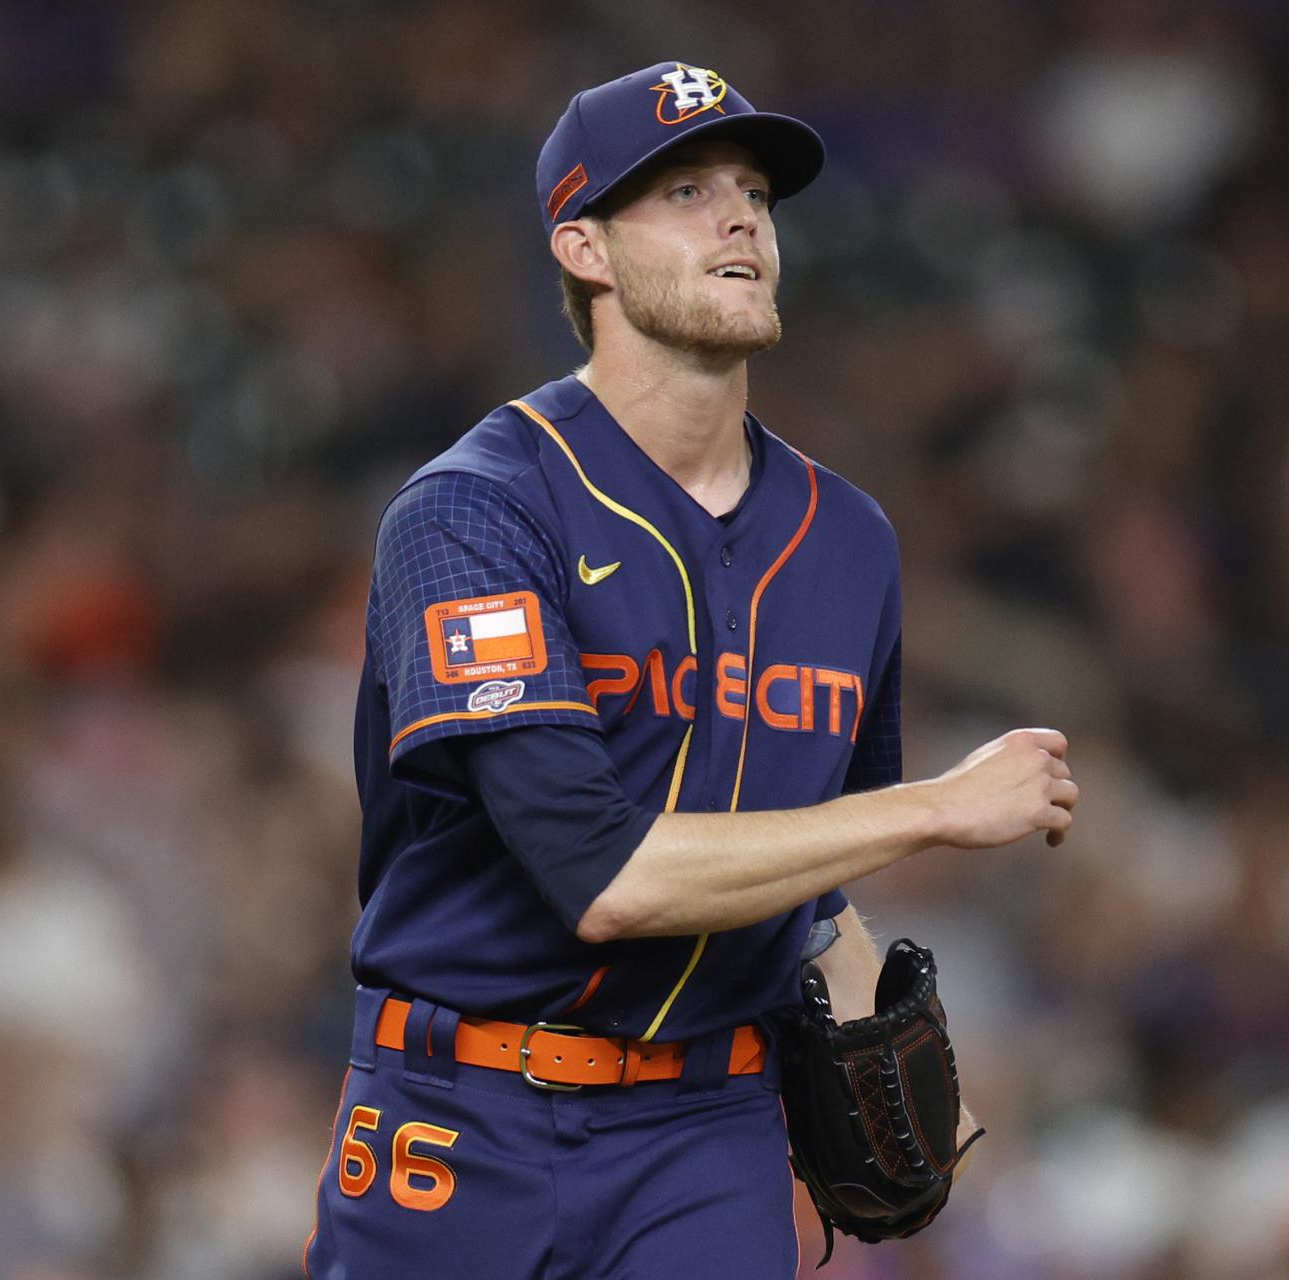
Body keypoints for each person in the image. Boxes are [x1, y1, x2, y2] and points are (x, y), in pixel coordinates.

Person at [303, 60, 1079, 1279]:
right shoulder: (475, 509)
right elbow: (600, 875)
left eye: (756, 194)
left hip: (705, 1131)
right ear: (586, 249)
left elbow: (811, 867)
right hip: (464, 1116)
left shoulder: (850, 539)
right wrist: (938, 806)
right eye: (684, 191)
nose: (740, 219)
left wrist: (909, 1058)